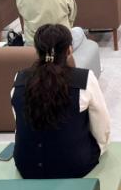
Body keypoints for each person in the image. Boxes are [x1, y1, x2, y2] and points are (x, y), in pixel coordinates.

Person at [11, 24, 110, 179]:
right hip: (75, 165)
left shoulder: (19, 78)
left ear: (37, 50)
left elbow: (19, 123)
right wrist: (99, 148)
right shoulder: (85, 79)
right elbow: (102, 125)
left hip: (26, 165)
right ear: (69, 50)